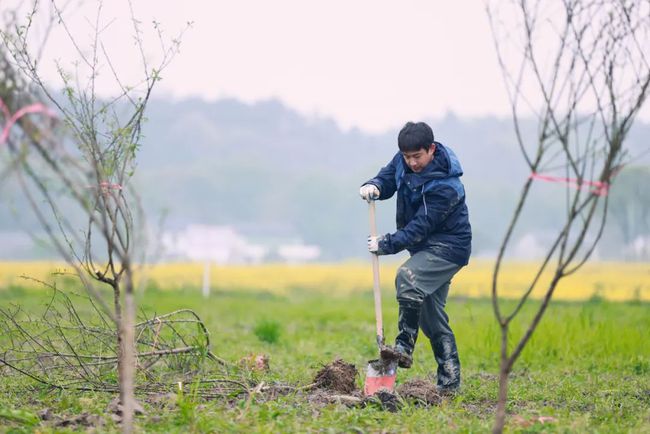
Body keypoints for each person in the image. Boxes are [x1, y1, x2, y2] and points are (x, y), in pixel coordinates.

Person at [359, 121, 471, 392]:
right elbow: (388, 178)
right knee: (432, 317)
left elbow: (421, 226)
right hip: (423, 248)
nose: (412, 163)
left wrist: (387, 243)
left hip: (448, 248)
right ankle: (450, 383)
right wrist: (374, 186)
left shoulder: (446, 187)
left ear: (431, 149)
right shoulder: (403, 160)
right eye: (407, 157)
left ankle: (403, 345)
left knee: (407, 277)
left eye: (417, 157)